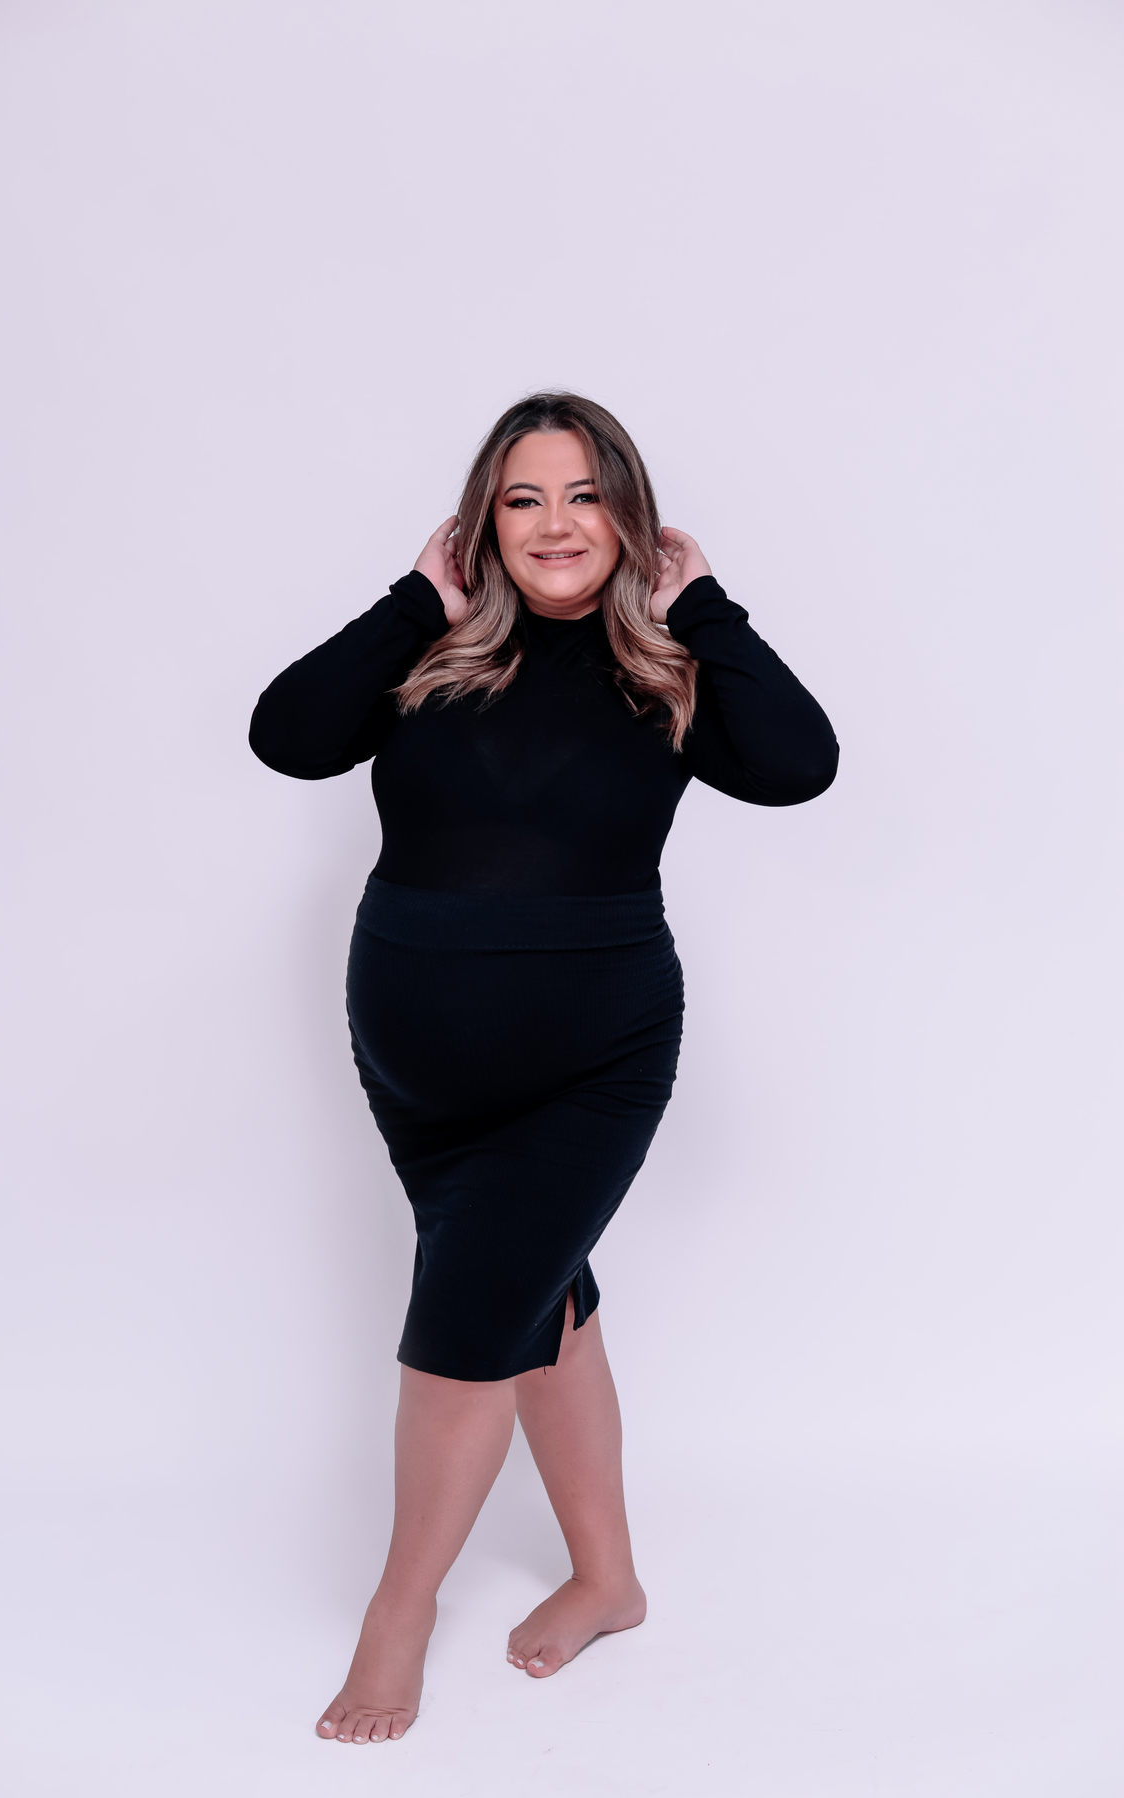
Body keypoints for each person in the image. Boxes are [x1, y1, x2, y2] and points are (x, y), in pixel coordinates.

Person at [249, 392, 838, 1745]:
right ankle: (609, 1578)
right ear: (484, 523)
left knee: (466, 1322)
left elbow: (802, 766)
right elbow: (287, 734)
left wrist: (706, 605)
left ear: (630, 520)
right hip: (417, 1071)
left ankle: (399, 1611)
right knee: (540, 1296)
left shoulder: (669, 671)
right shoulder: (430, 655)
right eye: (524, 499)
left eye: (585, 497)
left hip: (593, 1062)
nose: (556, 524)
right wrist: (416, 598)